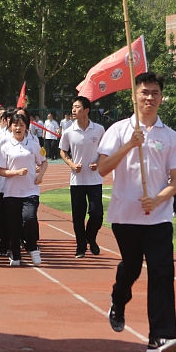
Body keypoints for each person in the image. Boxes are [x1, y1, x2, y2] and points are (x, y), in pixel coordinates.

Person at [96, 71, 176, 352]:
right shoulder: (119, 130)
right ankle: (118, 300)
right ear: (134, 95)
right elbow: (102, 168)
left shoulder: (170, 136)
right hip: (125, 216)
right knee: (131, 268)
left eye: (155, 92)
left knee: (162, 273)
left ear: (161, 97)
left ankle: (160, 337)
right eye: (144, 92)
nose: (149, 97)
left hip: (158, 218)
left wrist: (155, 200)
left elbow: (175, 182)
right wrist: (129, 145)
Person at [0, 112, 47, 266]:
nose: (18, 127)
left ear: (26, 128)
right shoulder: (5, 146)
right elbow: (1, 171)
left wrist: (40, 176)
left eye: (21, 125)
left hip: (30, 190)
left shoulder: (33, 144)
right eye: (15, 125)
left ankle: (32, 247)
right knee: (13, 225)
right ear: (10, 127)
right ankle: (16, 255)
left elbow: (43, 162)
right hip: (11, 192)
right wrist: (16, 172)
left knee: (29, 218)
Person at [60, 95, 106, 257]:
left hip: (95, 179)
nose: (73, 110)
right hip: (77, 180)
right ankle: (81, 246)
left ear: (86, 110)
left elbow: (104, 150)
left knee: (97, 214)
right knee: (78, 216)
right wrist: (72, 164)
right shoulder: (68, 131)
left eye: (77, 107)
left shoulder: (99, 129)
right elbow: (63, 151)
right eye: (73, 107)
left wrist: (98, 162)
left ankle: (91, 238)